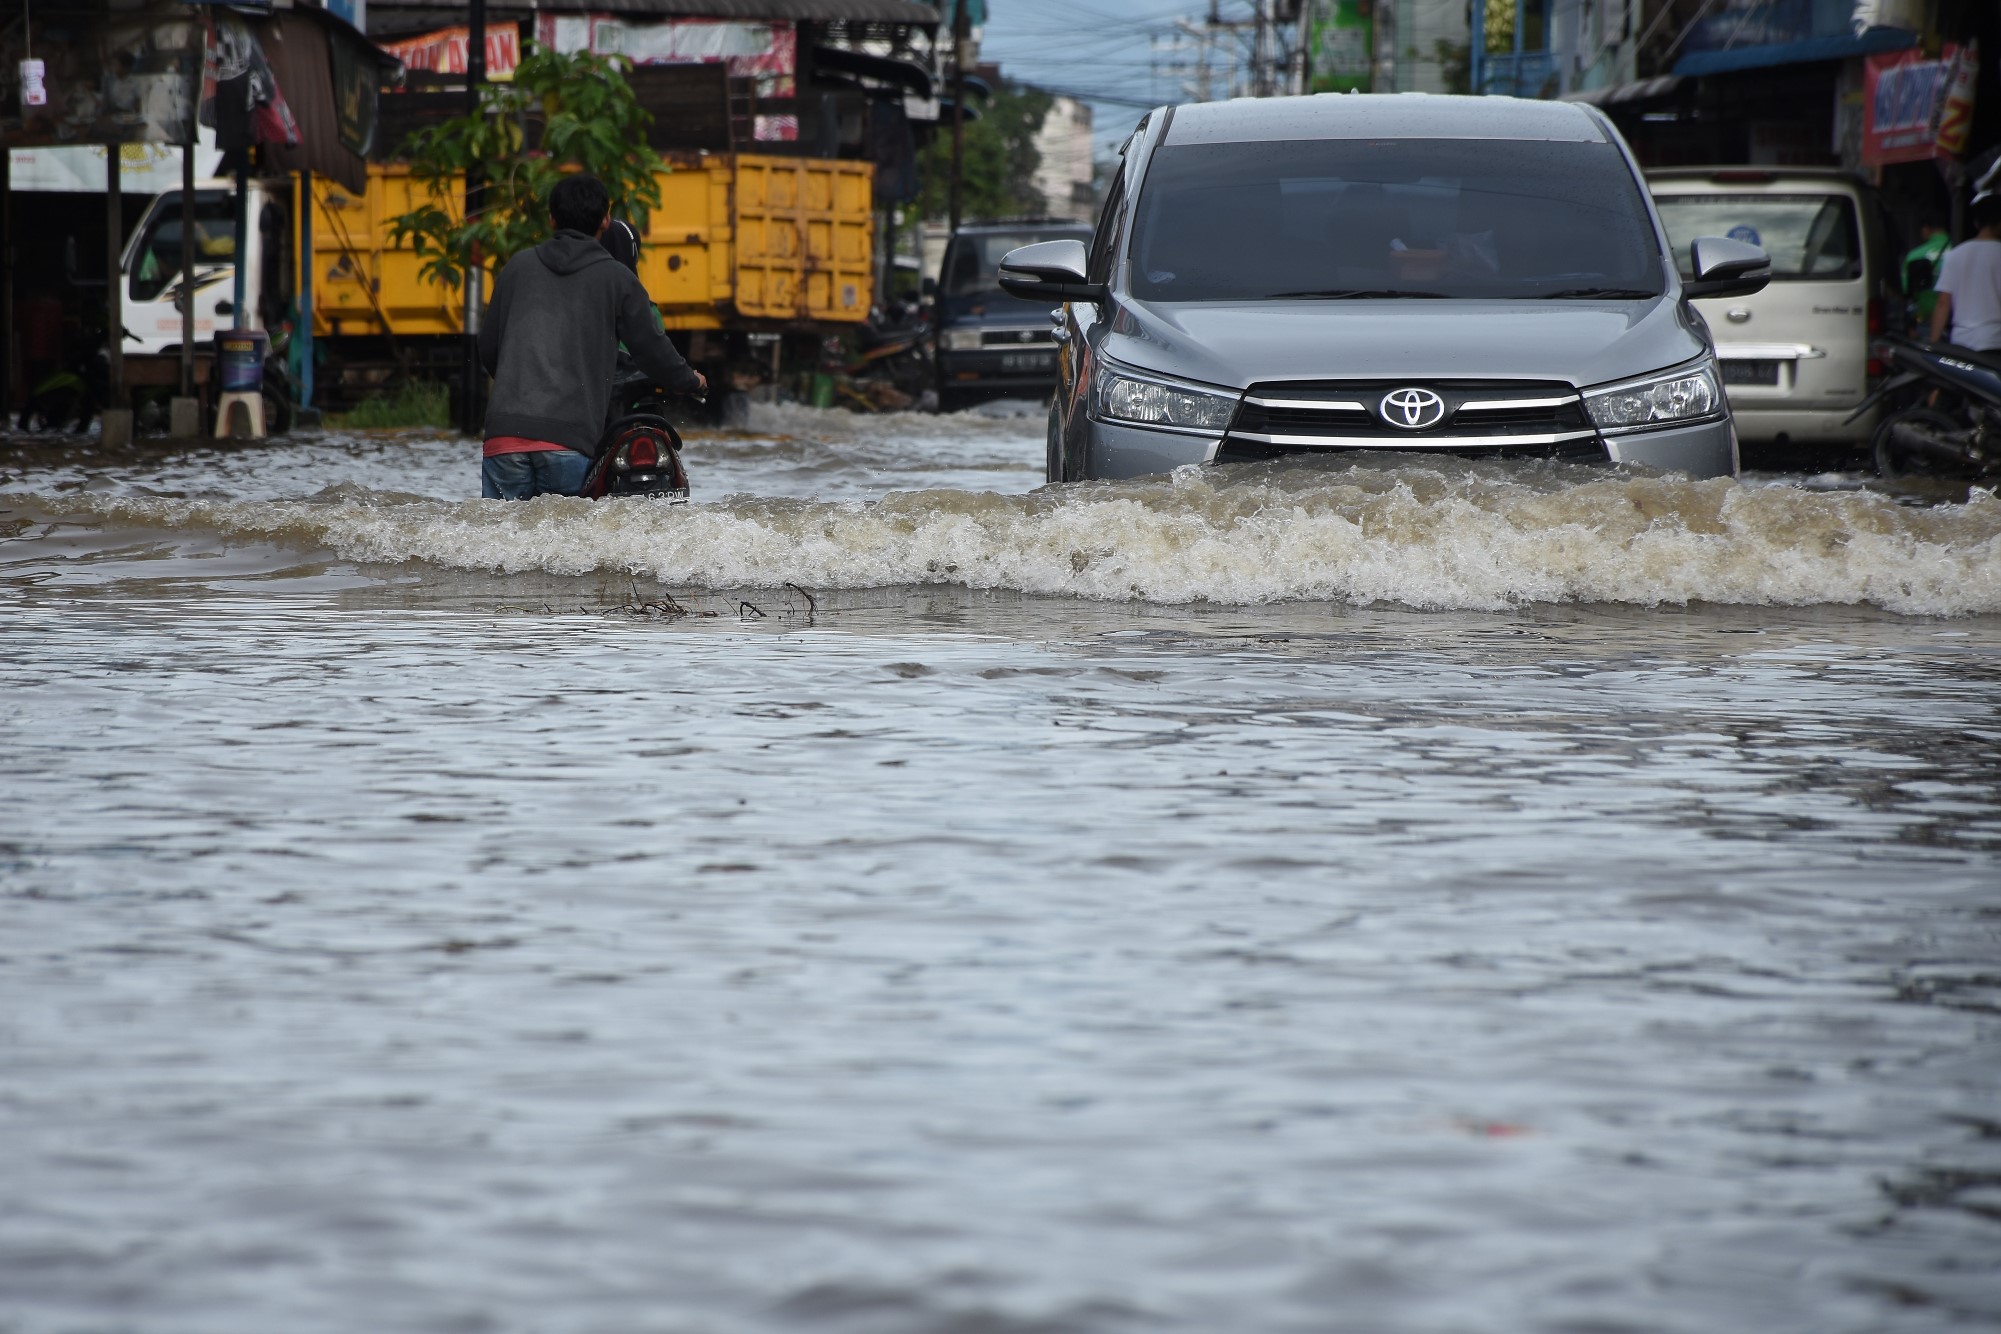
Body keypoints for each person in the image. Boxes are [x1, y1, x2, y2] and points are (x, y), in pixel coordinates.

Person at [477, 175, 705, 499]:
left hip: (503, 438)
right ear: (605, 220)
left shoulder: (517, 267)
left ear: (552, 218)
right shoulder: (618, 278)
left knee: (501, 540)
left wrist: (522, 388)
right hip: (566, 440)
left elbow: (488, 347)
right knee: (564, 544)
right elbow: (652, 350)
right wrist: (692, 381)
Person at [1928, 192, 2001, 353]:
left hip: (1962, 342)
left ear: (1976, 223)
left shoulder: (1955, 255)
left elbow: (1943, 303)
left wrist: (1933, 344)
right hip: (1995, 340)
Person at [1902, 222, 1948, 328]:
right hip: (1957, 321)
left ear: (1925, 229)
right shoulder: (1960, 252)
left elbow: (1906, 290)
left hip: (1926, 318)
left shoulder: (1914, 256)